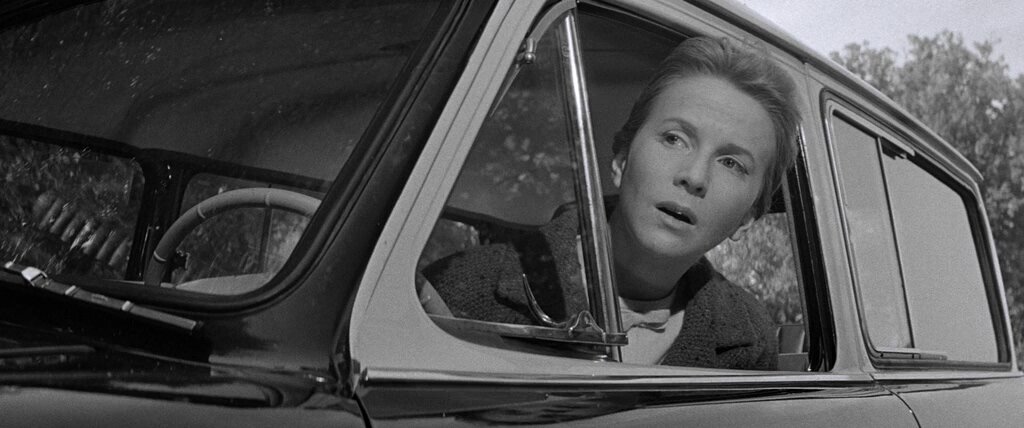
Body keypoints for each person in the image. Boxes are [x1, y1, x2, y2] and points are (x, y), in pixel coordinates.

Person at [420, 36, 800, 370]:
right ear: (620, 160)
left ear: (748, 218)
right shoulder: (463, 286)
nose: (695, 177)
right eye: (674, 139)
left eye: (731, 163)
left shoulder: (749, 339)